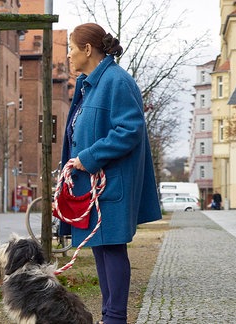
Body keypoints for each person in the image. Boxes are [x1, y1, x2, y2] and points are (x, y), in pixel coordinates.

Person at [60, 23, 162, 324]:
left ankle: (115, 318)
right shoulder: (92, 83)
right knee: (103, 250)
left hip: (111, 183)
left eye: (71, 48)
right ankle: (110, 317)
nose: (68, 55)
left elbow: (130, 130)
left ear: (88, 50)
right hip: (95, 185)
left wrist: (89, 157)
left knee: (112, 249)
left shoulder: (116, 81)